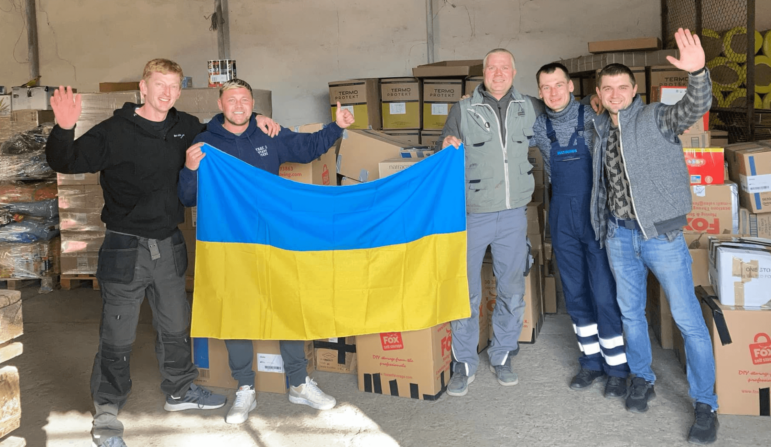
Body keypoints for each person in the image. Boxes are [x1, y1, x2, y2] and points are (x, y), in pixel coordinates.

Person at [45, 59, 278, 447]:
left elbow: (226, 128)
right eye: (160, 85)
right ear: (143, 87)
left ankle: (180, 390)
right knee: (117, 334)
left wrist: (261, 119)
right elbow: (64, 161)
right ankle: (107, 407)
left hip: (169, 244)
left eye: (173, 86)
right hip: (125, 246)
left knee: (174, 325)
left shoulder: (184, 127)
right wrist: (65, 127)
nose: (166, 93)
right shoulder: (113, 132)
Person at [178, 78, 355, 424]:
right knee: (235, 310)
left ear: (253, 104)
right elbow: (187, 197)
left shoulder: (268, 133)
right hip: (229, 243)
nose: (239, 105)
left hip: (274, 238)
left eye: (245, 99)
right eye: (232, 99)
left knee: (287, 303)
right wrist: (189, 169)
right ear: (220, 104)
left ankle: (298, 382)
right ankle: (245, 388)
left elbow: (306, 148)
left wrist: (337, 127)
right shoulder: (204, 144)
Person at [590, 29, 718, 444]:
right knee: (632, 314)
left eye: (622, 86)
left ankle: (705, 402)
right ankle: (642, 378)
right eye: (607, 88)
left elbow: (694, 106)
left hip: (661, 238)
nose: (615, 93)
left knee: (688, 321)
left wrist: (698, 72)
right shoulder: (600, 130)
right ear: (599, 92)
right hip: (618, 236)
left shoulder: (656, 118)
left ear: (634, 90)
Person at [437, 48, 544, 396]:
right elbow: (445, 143)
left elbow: (561, 118)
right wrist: (447, 142)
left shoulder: (531, 107)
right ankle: (464, 363)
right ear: (483, 73)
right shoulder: (464, 108)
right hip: (471, 215)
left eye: (504, 67)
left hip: (513, 215)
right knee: (465, 293)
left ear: (514, 71)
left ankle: (502, 355)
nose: (498, 73)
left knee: (512, 290)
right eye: (491, 67)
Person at [531, 63, 629, 398]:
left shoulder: (593, 115)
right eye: (546, 87)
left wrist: (599, 98)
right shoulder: (538, 126)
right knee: (573, 292)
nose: (553, 92)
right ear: (540, 92)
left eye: (559, 84)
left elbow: (624, 111)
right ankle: (590, 361)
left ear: (571, 86)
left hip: (595, 215)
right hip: (561, 217)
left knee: (602, 292)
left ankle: (617, 367)